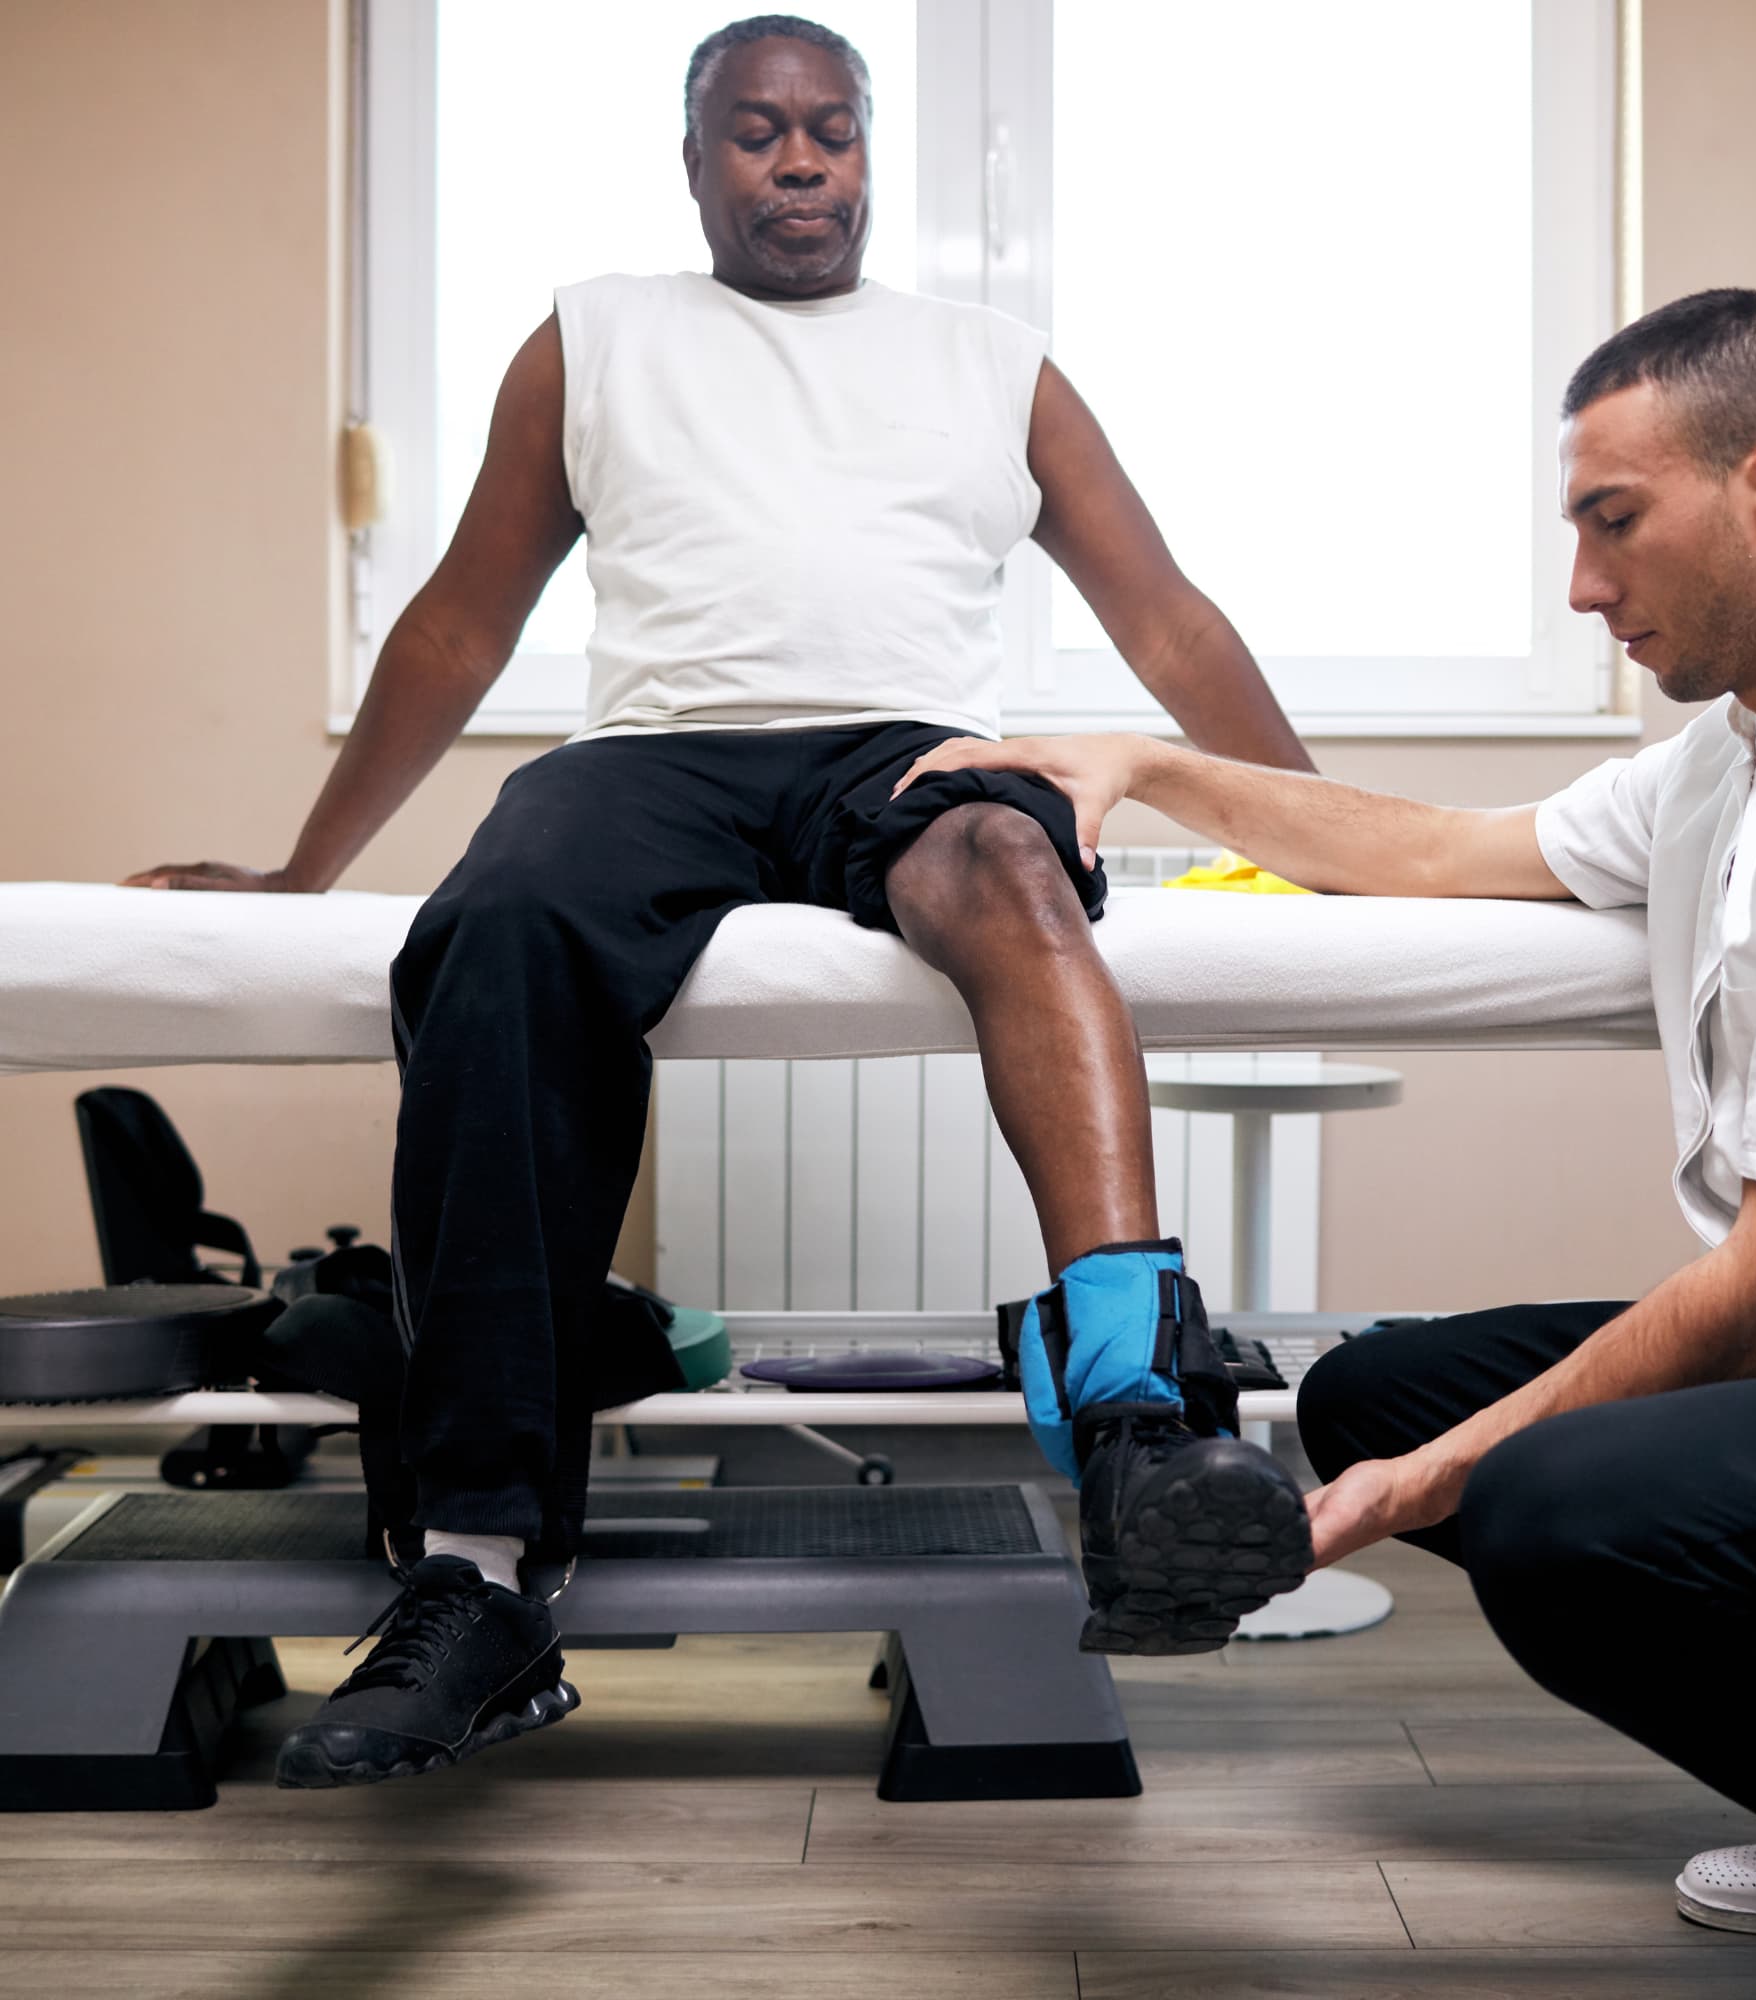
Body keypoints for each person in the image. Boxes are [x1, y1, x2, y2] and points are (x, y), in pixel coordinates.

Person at [125, 13, 1316, 1788]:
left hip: (902, 753)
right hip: (656, 759)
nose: (801, 161)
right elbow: (461, 618)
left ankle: (1135, 1418)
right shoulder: (597, 337)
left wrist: (1326, 838)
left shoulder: (992, 361)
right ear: (696, 160)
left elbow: (1172, 623)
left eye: (831, 130)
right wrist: (306, 870)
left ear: (868, 153)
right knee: (502, 916)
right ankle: (478, 1577)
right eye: (757, 132)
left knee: (1009, 850)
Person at [893, 288, 1756, 1999]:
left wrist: (1438, 1483)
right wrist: (1152, 763)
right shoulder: (1745, 751)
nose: (1582, 586)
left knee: (1553, 1515)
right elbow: (1426, 848)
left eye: (1611, 523)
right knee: (1368, 1389)